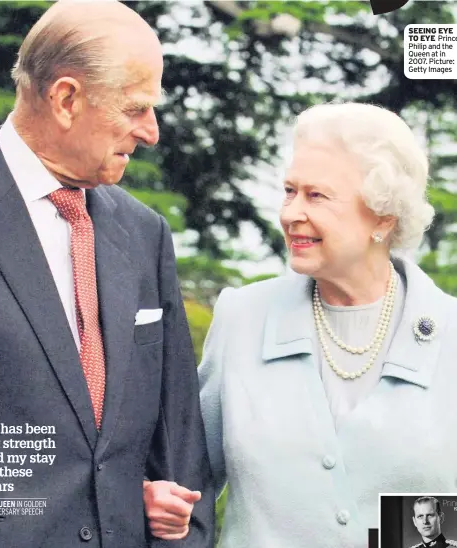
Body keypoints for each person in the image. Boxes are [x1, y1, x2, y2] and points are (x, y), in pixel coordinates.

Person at [0, 2, 214, 547]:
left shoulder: (145, 233)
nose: (151, 132)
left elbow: (180, 450)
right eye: (136, 108)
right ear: (66, 99)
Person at [143, 103, 457, 547]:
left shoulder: (451, 335)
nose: (291, 213)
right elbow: (185, 477)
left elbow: (438, 519)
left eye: (317, 196)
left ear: (383, 217)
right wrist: (154, 496)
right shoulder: (243, 318)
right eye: (290, 191)